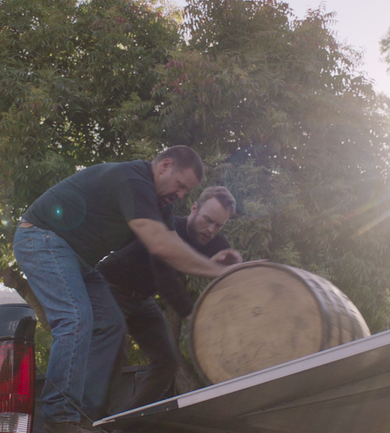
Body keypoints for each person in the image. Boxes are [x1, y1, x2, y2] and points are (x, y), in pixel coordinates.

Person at [13, 146, 230, 433]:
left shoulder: (161, 206)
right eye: (180, 185)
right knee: (76, 318)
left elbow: (169, 254)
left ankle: (87, 417)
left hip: (80, 262)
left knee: (111, 325)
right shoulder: (133, 180)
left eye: (186, 191)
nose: (180, 194)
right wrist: (219, 271)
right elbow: (160, 244)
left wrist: (223, 265)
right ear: (164, 166)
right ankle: (59, 416)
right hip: (41, 237)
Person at [97, 186, 242, 413]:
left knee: (168, 361)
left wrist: (235, 263)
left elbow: (230, 270)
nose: (210, 230)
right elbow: (165, 282)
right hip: (109, 287)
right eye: (207, 220)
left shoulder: (214, 239)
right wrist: (195, 316)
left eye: (219, 225)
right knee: (115, 350)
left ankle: (130, 424)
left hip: (142, 299)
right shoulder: (168, 228)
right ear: (194, 208)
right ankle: (93, 420)